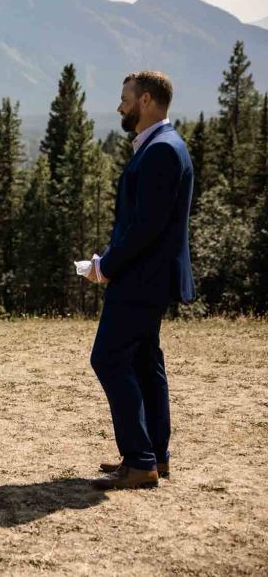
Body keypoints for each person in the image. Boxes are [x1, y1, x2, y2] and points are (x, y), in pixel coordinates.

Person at [84, 71, 194, 490]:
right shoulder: (163, 146)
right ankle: (155, 455)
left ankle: (140, 460)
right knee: (145, 362)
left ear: (146, 101)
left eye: (125, 99)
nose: (120, 107)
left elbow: (146, 228)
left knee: (108, 358)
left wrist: (107, 265)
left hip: (141, 279)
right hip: (148, 277)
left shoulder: (162, 151)